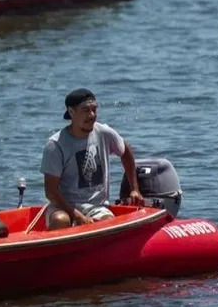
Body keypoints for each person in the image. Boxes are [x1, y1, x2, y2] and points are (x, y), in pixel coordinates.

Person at [41, 88, 145, 231]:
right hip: (64, 206)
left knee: (108, 224)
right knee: (61, 220)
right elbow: (50, 192)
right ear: (71, 112)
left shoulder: (103, 132)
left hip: (97, 207)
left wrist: (134, 189)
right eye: (85, 110)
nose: (92, 115)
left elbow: (125, 150)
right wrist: (76, 215)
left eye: (94, 110)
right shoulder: (55, 145)